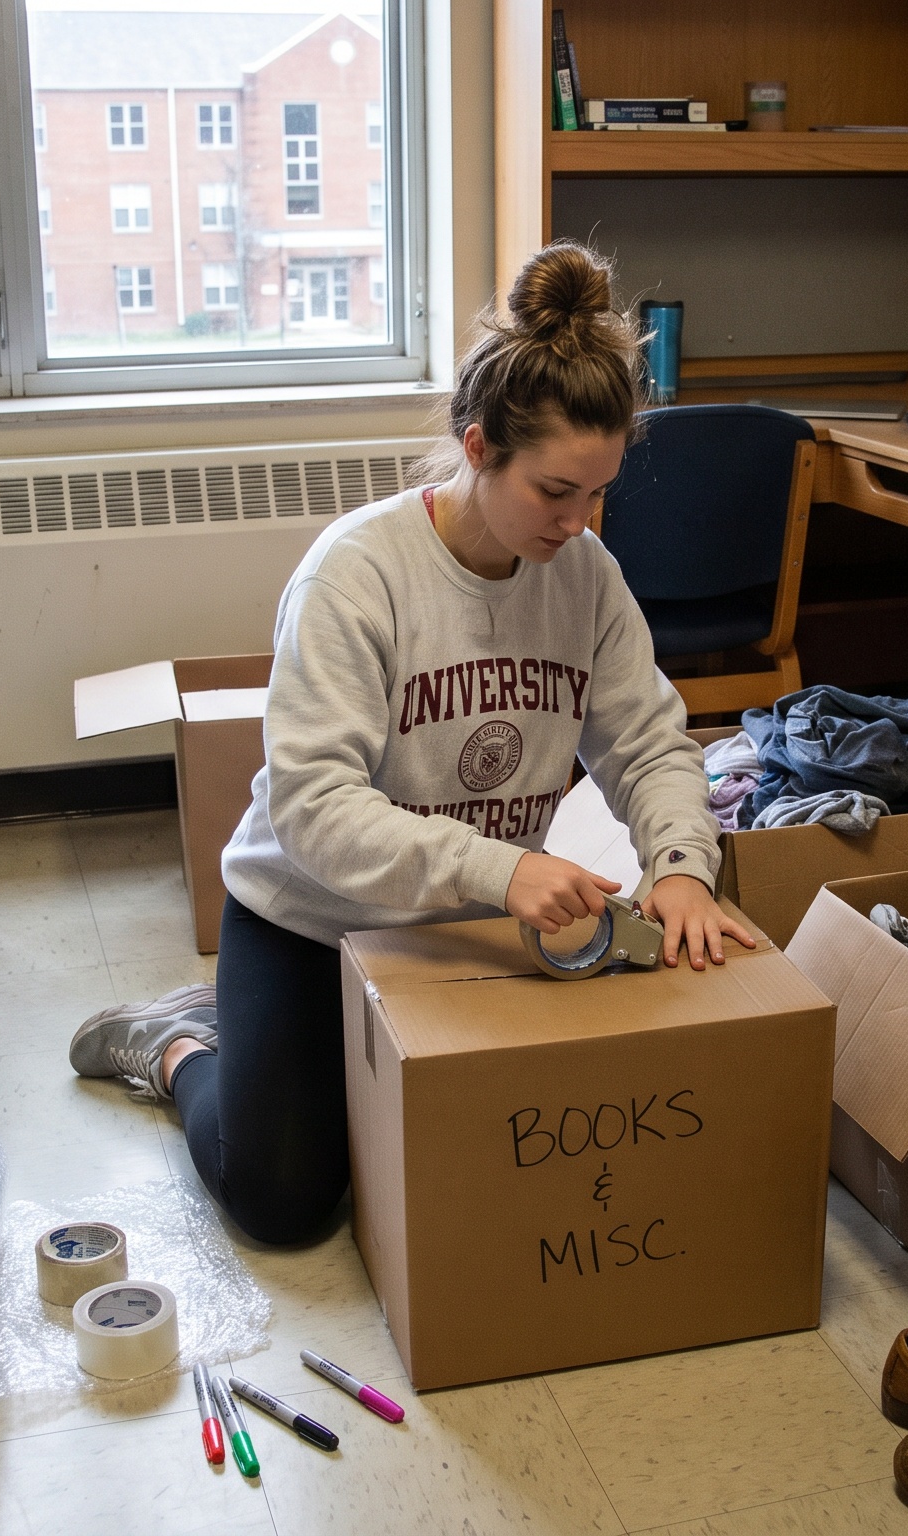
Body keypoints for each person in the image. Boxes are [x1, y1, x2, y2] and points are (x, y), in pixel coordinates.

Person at [69, 243, 753, 1243]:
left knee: (496, 1161)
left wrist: (683, 866)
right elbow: (312, 809)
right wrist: (502, 867)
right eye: (555, 491)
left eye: (598, 492)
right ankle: (179, 1045)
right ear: (478, 448)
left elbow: (647, 745)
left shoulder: (587, 575)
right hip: (311, 917)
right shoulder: (355, 577)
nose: (579, 521)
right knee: (284, 1203)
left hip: (465, 921)